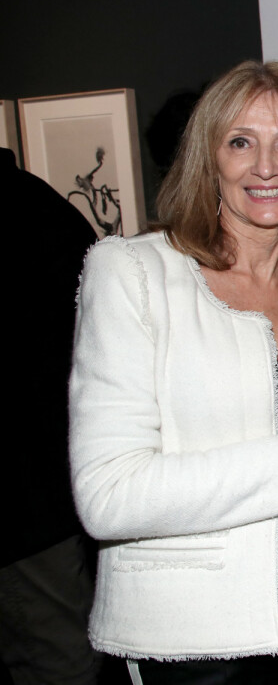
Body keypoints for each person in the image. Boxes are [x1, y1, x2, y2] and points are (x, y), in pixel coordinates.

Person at [69, 60, 278, 684]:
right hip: (191, 638)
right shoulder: (132, 274)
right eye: (240, 142)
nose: (265, 166)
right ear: (208, 158)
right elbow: (108, 498)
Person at [1, 147, 100, 685]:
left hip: (32, 503)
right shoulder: (45, 210)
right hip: (46, 497)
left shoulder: (33, 215)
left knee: (55, 660)